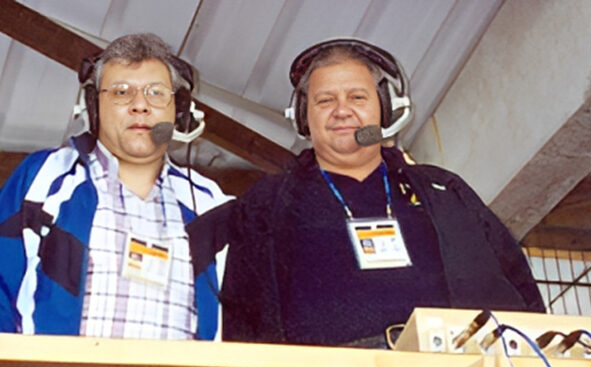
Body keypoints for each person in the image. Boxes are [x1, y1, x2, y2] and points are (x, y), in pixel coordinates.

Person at [188, 38, 545, 348]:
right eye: (325, 100)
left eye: (357, 96)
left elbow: (522, 289)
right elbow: (242, 316)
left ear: (383, 108)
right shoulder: (265, 204)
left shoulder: (445, 191)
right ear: (303, 117)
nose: (342, 111)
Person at [0, 33, 232, 340]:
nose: (140, 106)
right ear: (94, 108)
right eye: (122, 92)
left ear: (179, 112)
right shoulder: (44, 178)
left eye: (156, 93)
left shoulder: (211, 204)